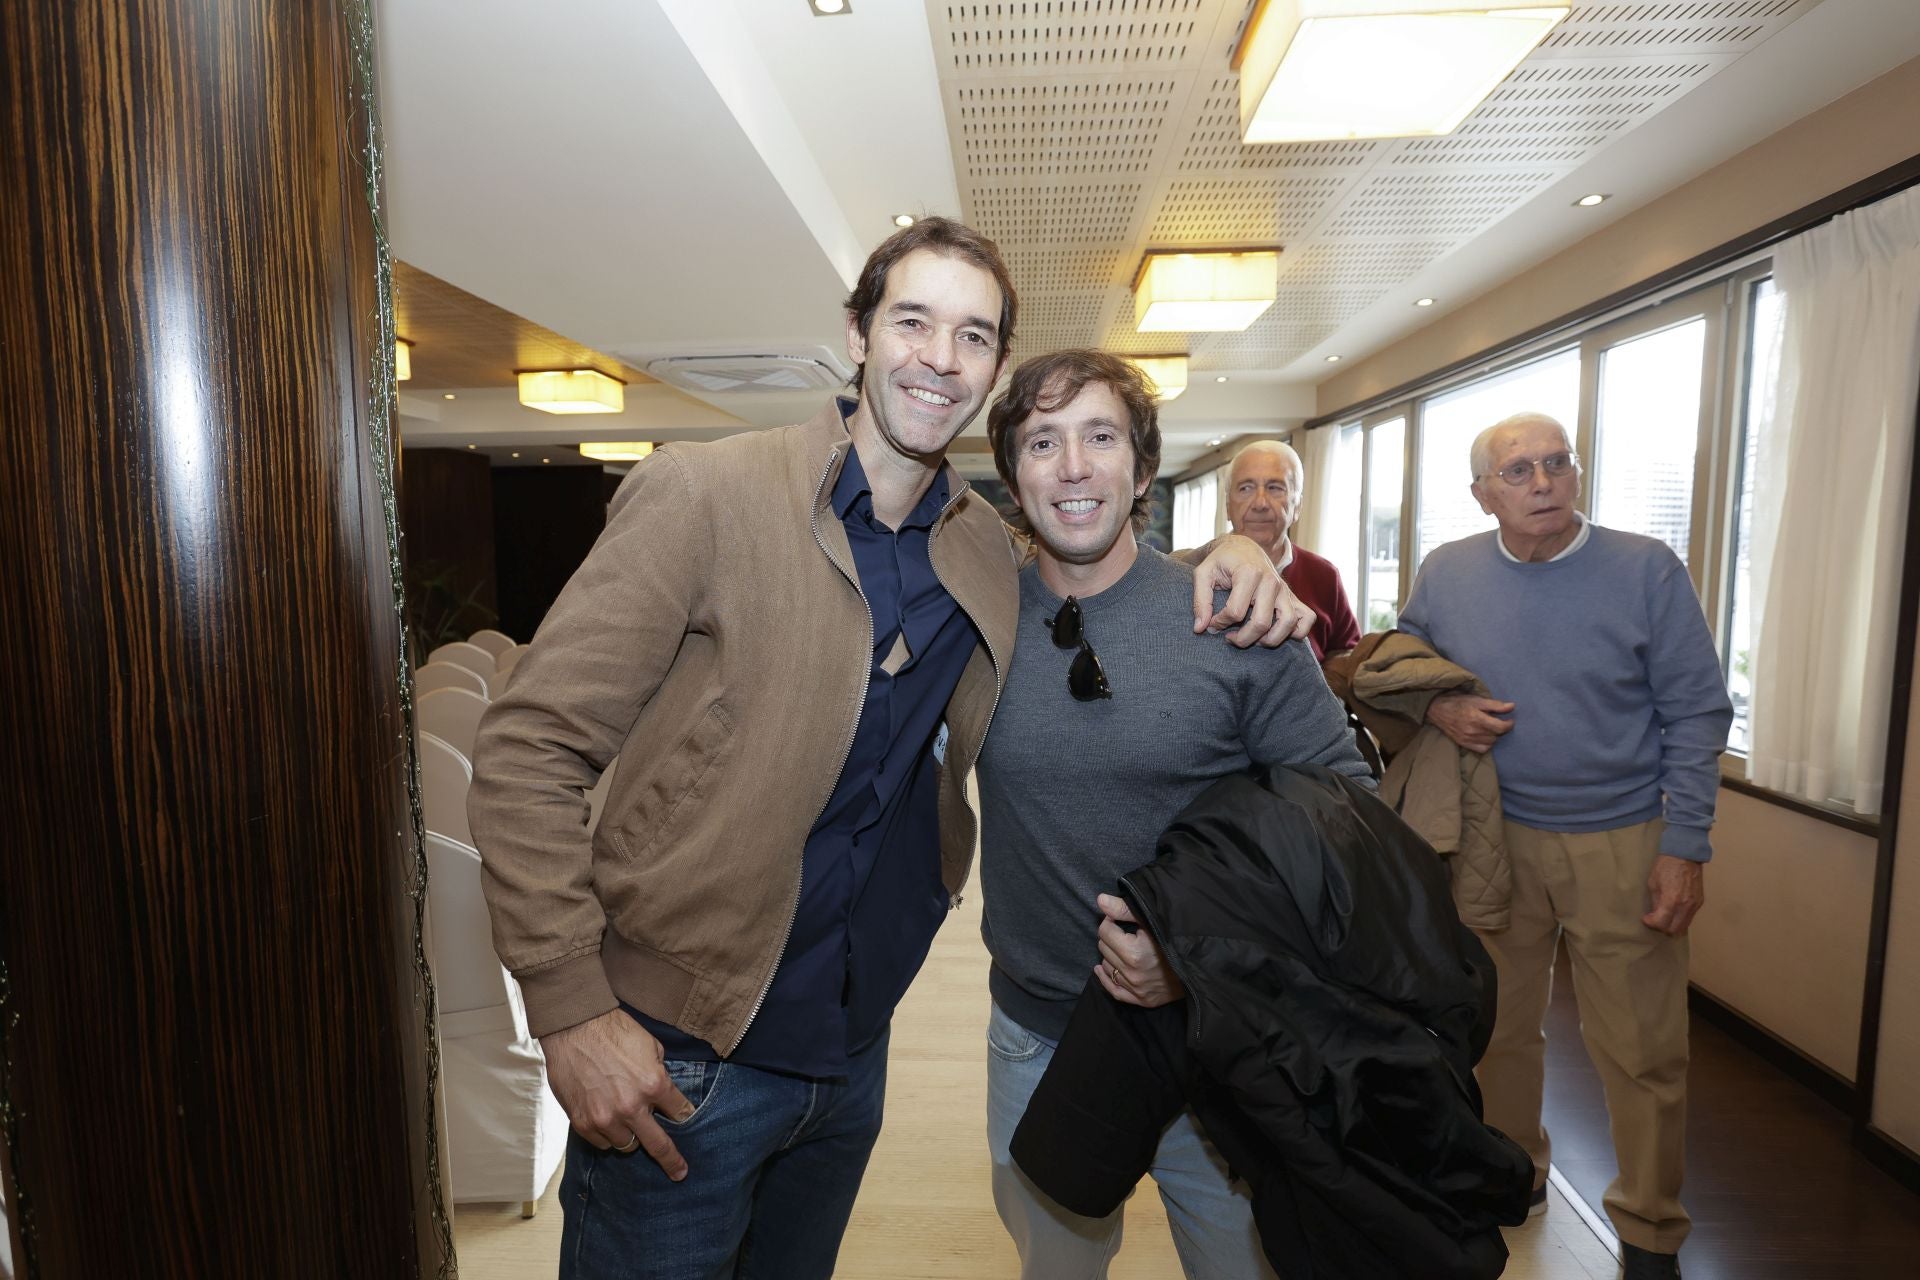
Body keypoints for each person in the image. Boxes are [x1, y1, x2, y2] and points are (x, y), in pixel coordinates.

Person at [465, 218, 1305, 1280]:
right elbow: (529, 747)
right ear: (857, 334)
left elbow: (1094, 557)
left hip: (850, 1057)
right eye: (913, 320)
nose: (939, 357)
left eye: (973, 335)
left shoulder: (978, 548)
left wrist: (1237, 551)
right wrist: (571, 1009)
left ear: (994, 367)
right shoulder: (708, 495)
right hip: (683, 1053)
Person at [976, 349, 1375, 1279]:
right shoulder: (978, 624)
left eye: (1100, 437)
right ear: (1013, 478)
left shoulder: (1236, 620)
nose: (1073, 466)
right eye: (1043, 441)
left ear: (1143, 470)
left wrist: (1195, 948)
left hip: (1218, 1040)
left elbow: (1349, 820)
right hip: (1039, 1035)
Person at [1396, 412, 1733, 1280]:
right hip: (1493, 839)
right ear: (1482, 493)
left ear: (1576, 475)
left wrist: (1685, 842)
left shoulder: (1645, 569)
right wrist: (1438, 709)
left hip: (1624, 838)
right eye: (1518, 471)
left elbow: (1697, 710)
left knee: (1643, 1046)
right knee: (1500, 1027)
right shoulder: (1449, 572)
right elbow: (1400, 671)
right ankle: (1516, 1171)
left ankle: (1651, 1233)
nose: (1541, 482)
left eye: (1556, 464)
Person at [1223, 439, 1361, 663]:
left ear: (1297, 507)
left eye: (1275, 488)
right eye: (1245, 488)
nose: (1260, 503)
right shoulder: (1197, 571)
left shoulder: (1324, 575)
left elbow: (1348, 655)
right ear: (1228, 506)